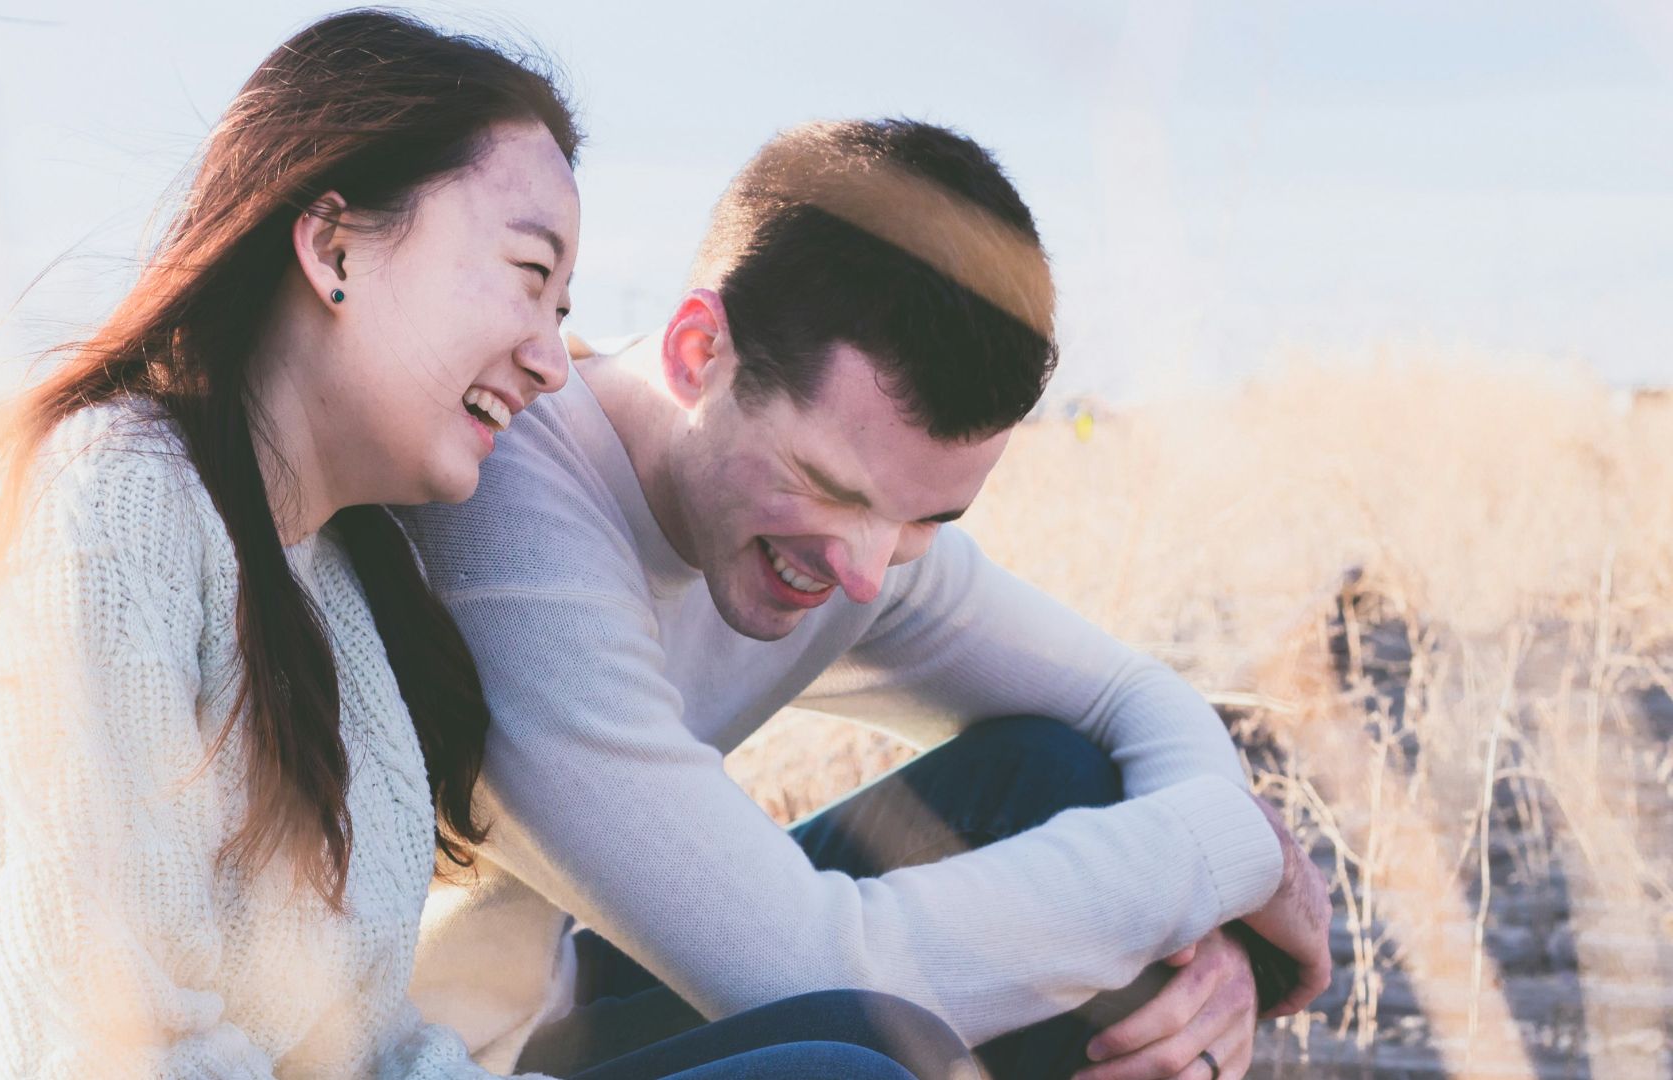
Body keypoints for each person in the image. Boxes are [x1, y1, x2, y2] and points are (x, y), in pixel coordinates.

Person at [0, 13, 975, 1079]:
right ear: (334, 248)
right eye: (528, 278)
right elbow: (100, 1053)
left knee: (884, 1039)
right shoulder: (103, 512)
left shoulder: (330, 579)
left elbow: (361, 1046)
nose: (551, 359)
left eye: (566, 310)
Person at [395, 118, 1333, 1080]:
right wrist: (1225, 854)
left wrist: (1199, 925)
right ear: (695, 352)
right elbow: (810, 973)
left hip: (556, 1003)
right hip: (431, 1057)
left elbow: (1127, 697)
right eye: (831, 487)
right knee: (868, 1064)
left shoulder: (859, 537)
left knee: (1058, 771)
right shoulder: (507, 513)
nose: (866, 570)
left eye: (929, 518)